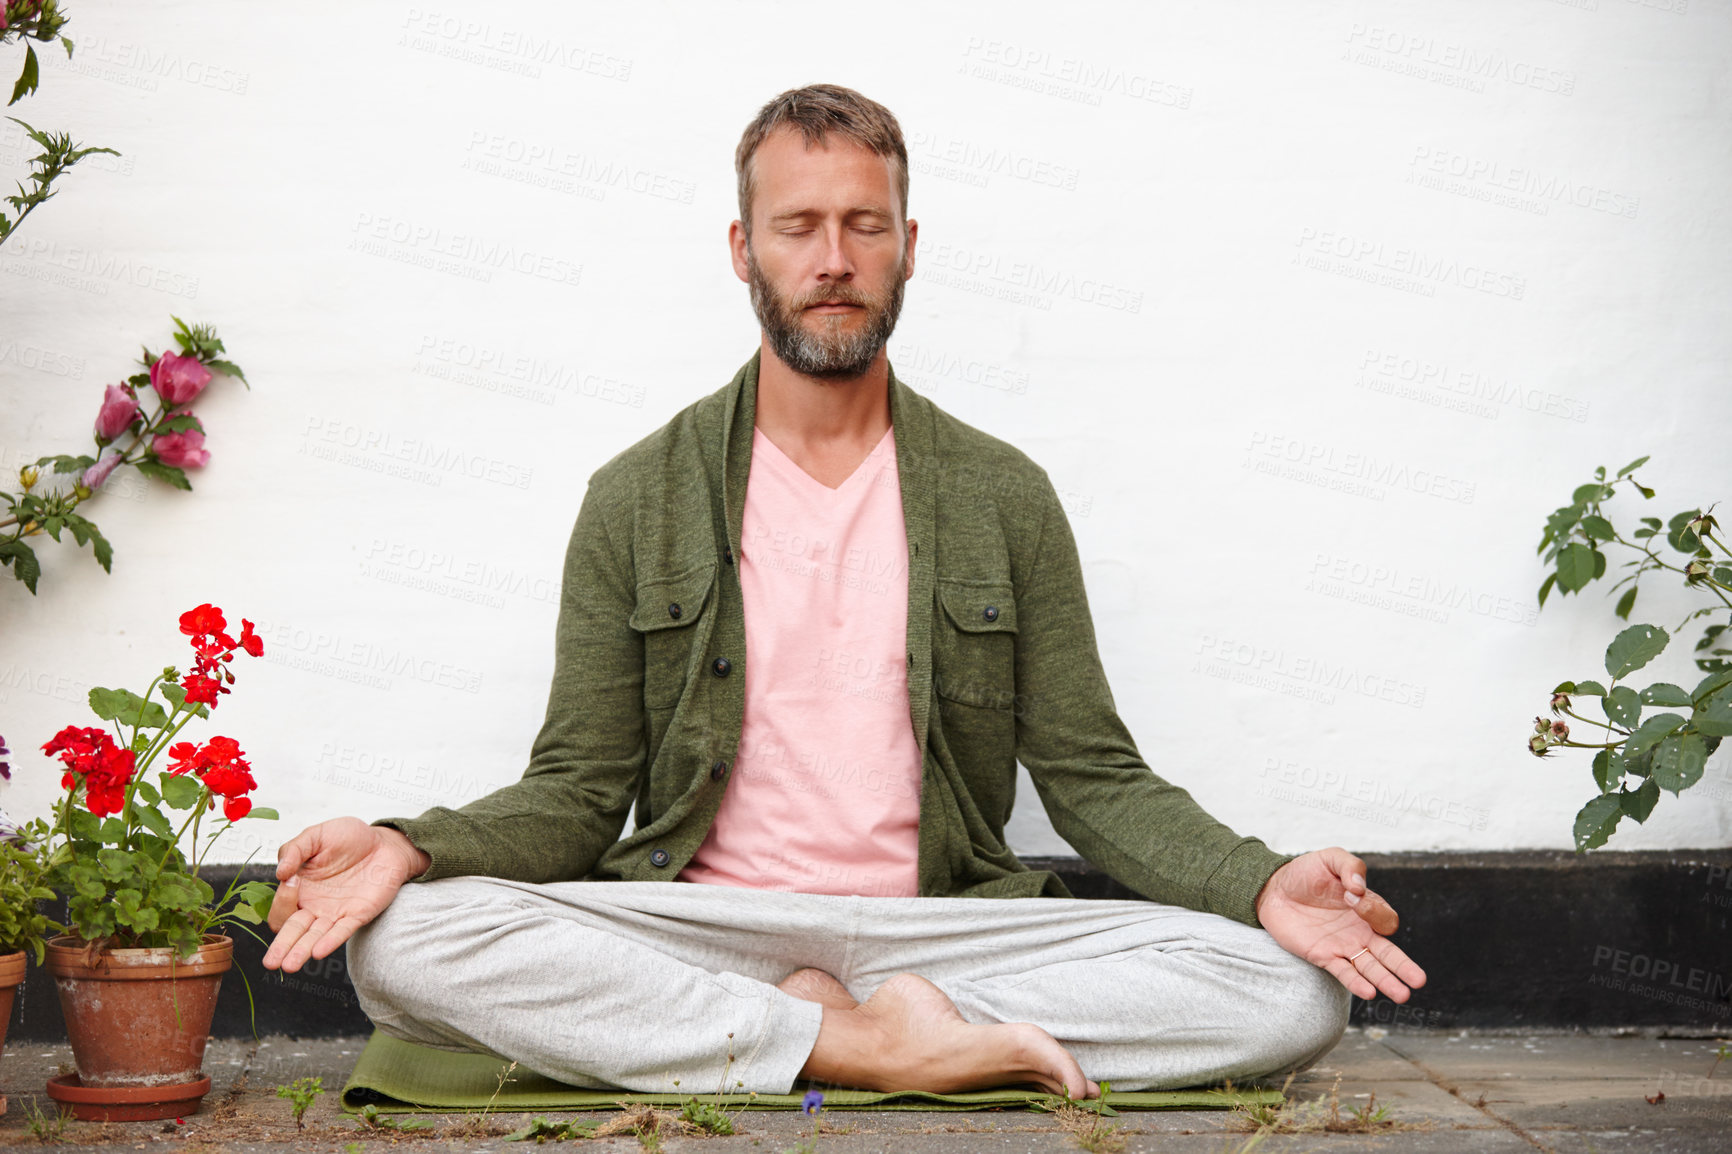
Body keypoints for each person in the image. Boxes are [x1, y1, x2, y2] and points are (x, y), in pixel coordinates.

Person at [264, 83, 1425, 1100]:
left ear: (909, 244)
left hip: (948, 927)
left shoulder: (1002, 494)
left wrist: (1261, 877)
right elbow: (578, 789)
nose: (833, 259)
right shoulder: (635, 497)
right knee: (404, 942)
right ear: (741, 247)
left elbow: (1092, 778)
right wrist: (409, 845)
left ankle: (840, 1028)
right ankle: (858, 1044)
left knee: (1288, 991)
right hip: (712, 931)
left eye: (864, 225)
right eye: (799, 227)